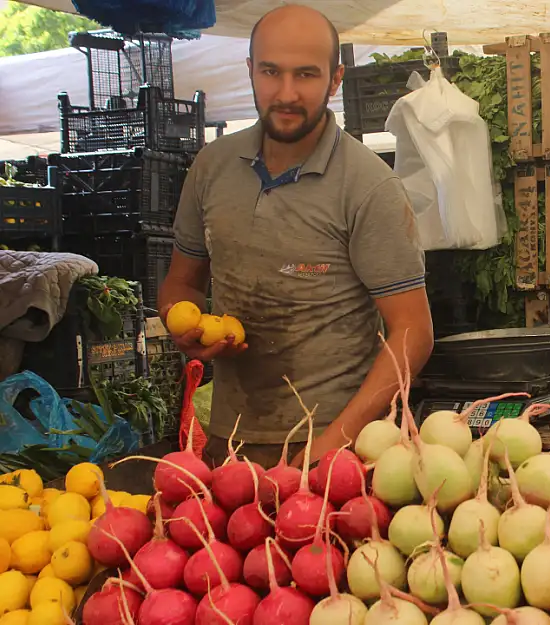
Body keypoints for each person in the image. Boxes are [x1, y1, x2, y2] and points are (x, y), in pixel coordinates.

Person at [159, 4, 434, 468]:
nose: (286, 93)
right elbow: (181, 284)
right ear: (250, 70)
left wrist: (326, 451)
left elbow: (414, 332)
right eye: (271, 72)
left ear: (335, 79)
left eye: (306, 75)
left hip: (337, 452)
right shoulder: (211, 167)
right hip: (230, 446)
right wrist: (182, 326)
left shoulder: (368, 186)